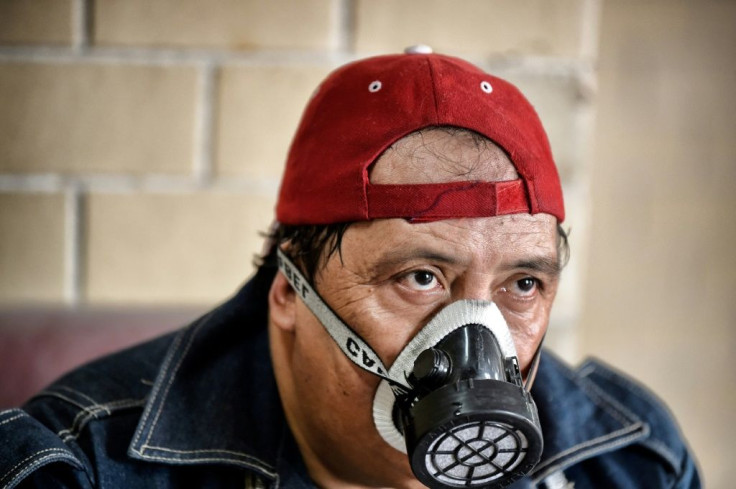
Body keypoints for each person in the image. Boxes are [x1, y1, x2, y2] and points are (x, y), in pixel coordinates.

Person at [0, 48, 700, 489]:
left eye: (522, 284)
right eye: (421, 276)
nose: (481, 347)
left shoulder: (633, 460)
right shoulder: (83, 463)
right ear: (287, 289)